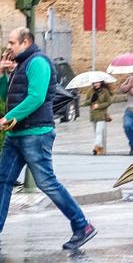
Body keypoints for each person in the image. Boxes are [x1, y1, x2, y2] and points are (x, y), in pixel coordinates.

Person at [0, 27, 97, 251]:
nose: (8, 47)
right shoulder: (21, 65)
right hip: (17, 134)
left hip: (36, 133)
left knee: (46, 182)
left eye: (12, 43)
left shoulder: (38, 63)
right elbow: (7, 96)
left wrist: (7, 118)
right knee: (3, 180)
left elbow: (36, 97)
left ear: (25, 42)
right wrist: (3, 74)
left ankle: (82, 226)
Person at [86, 80, 113, 155]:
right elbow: (85, 103)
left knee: (98, 132)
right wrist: (91, 100)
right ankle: (101, 149)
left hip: (102, 115)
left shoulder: (105, 91)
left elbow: (109, 102)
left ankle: (96, 147)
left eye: (97, 82)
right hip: (93, 115)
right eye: (94, 82)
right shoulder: (90, 91)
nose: (96, 84)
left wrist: (99, 106)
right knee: (98, 133)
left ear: (101, 83)